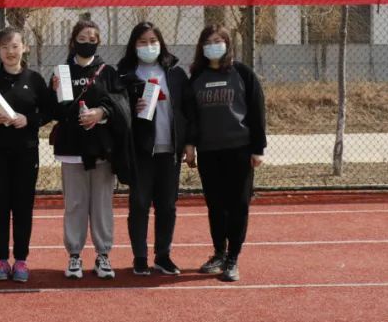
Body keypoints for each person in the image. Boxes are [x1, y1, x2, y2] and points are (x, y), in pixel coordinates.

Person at [50, 20, 131, 281]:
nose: (88, 42)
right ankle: (74, 254)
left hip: (102, 150)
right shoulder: (62, 72)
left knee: (102, 205)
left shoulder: (108, 72)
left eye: (93, 38)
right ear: (73, 41)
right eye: (83, 38)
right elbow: (56, 111)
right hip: (72, 149)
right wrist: (53, 93)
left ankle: (103, 254)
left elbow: (120, 104)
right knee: (75, 204)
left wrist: (101, 113)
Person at [187, 24, 267, 283]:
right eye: (209, 41)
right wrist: (190, 145)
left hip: (239, 151)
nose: (214, 45)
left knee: (238, 205)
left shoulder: (242, 73)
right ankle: (219, 253)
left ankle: (233, 257)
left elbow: (257, 111)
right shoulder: (196, 77)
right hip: (209, 151)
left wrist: (258, 148)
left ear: (228, 43)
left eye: (218, 40)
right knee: (215, 205)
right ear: (202, 47)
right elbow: (190, 116)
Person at [0, 27, 53, 283]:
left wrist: (28, 119)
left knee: (22, 207)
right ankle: (1, 260)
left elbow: (49, 111)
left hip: (26, 153)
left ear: (24, 48)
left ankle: (20, 260)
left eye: (15, 46)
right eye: (5, 47)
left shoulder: (35, 79)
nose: (10, 52)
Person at [117, 21, 192, 276]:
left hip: (169, 151)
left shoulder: (176, 73)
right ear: (133, 45)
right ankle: (140, 257)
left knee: (167, 205)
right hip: (141, 151)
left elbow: (187, 110)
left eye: (153, 41)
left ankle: (163, 255)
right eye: (142, 42)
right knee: (139, 203)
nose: (148, 46)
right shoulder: (124, 74)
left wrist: (188, 142)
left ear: (160, 43)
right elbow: (115, 107)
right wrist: (131, 107)